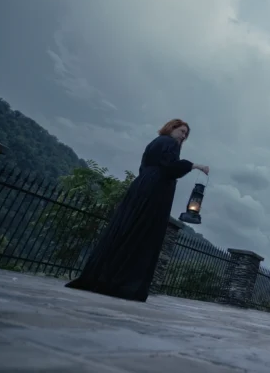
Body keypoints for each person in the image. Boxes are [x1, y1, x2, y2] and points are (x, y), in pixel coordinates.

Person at [65, 119, 209, 302]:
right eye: (182, 131)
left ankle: (103, 278)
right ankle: (121, 284)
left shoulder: (156, 143)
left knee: (126, 228)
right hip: (154, 191)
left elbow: (146, 167)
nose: (183, 136)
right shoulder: (168, 142)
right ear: (171, 128)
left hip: (143, 185)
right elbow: (170, 167)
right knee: (141, 233)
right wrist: (194, 166)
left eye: (186, 134)